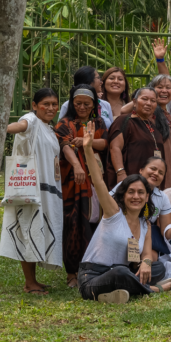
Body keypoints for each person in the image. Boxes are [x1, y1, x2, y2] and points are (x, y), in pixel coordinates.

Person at [77, 122, 171, 303]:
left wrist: (146, 263)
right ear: (122, 195)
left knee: (158, 268)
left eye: (141, 193)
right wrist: (88, 149)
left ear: (147, 197)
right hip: (92, 277)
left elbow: (146, 254)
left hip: (123, 271)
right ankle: (154, 289)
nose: (136, 197)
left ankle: (112, 295)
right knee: (121, 272)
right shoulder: (113, 213)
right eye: (131, 192)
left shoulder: (144, 223)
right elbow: (98, 182)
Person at [0, 88, 63, 295]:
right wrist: (0, 128)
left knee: (38, 230)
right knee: (28, 229)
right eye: (46, 103)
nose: (51, 108)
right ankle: (29, 283)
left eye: (54, 104)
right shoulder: (31, 120)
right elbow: (20, 126)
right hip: (31, 188)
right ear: (35, 105)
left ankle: (33, 280)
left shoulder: (49, 128)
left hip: (48, 190)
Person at [55, 84, 108, 289]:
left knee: (95, 224)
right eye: (78, 103)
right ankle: (71, 274)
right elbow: (64, 145)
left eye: (87, 103)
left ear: (94, 104)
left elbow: (104, 143)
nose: (82, 107)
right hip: (73, 183)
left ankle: (92, 269)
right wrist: (77, 165)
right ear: (71, 103)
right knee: (74, 225)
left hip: (96, 180)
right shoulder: (65, 123)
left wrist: (87, 142)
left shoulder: (98, 122)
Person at [106, 87, 163, 191]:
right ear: (135, 102)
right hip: (129, 181)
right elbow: (115, 147)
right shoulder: (125, 121)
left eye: (153, 101)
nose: (149, 103)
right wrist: (121, 173)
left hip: (150, 184)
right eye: (144, 99)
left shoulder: (152, 126)